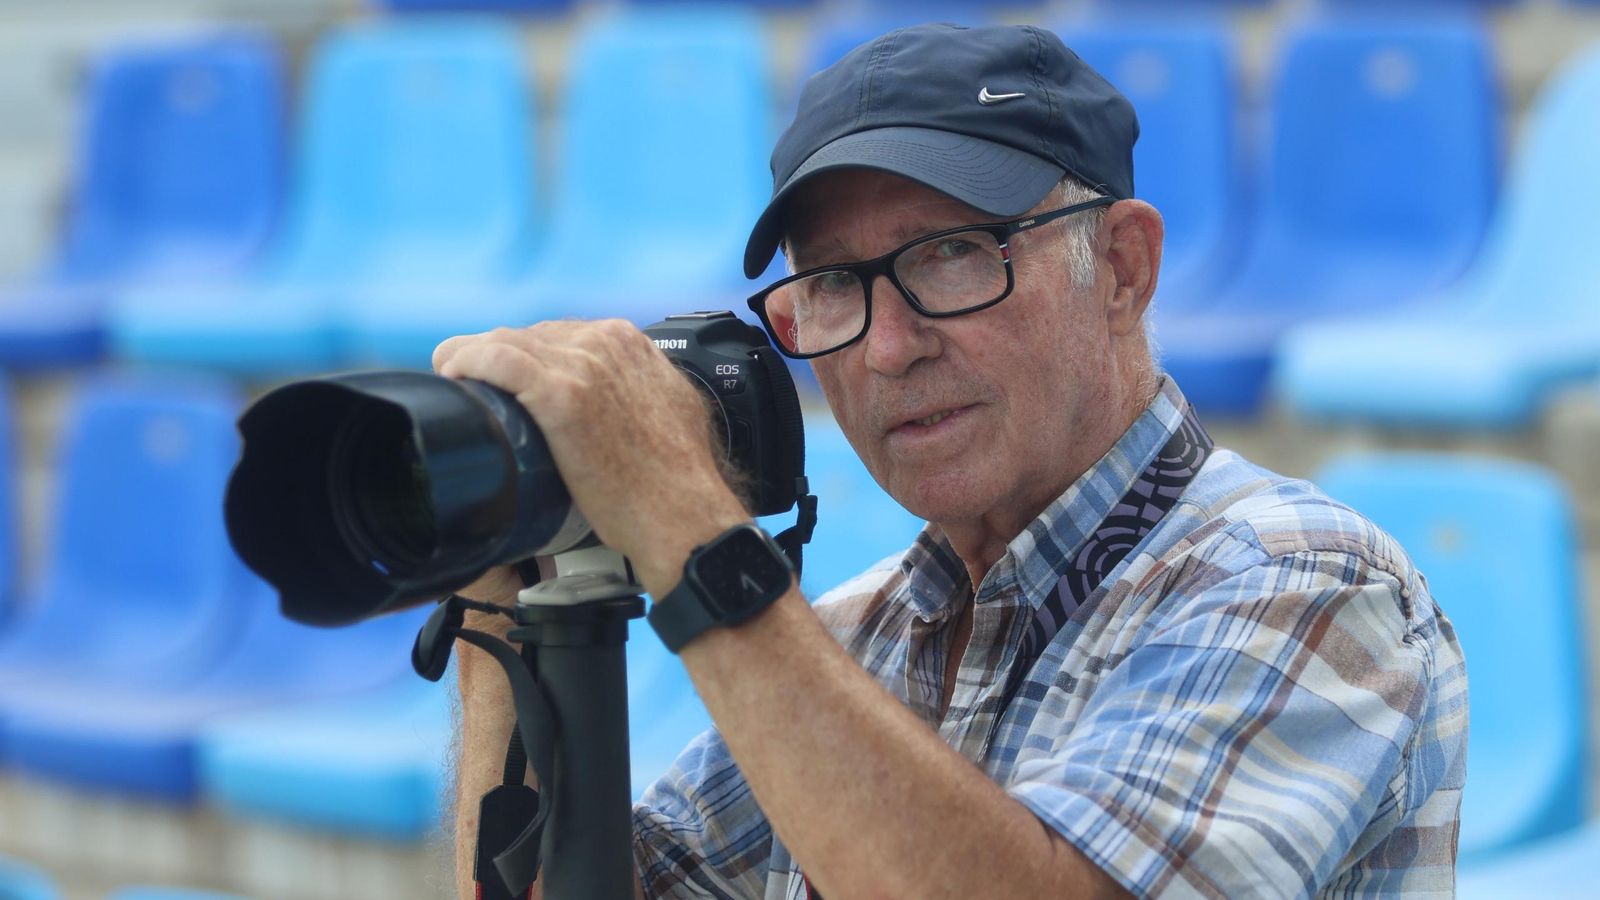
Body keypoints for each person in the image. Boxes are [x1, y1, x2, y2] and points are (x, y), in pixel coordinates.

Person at [433, 23, 1468, 899]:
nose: (888, 348)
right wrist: (503, 605)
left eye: (951, 254)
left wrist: (686, 526)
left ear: (1121, 269)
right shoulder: (855, 635)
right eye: (835, 284)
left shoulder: (1301, 579)